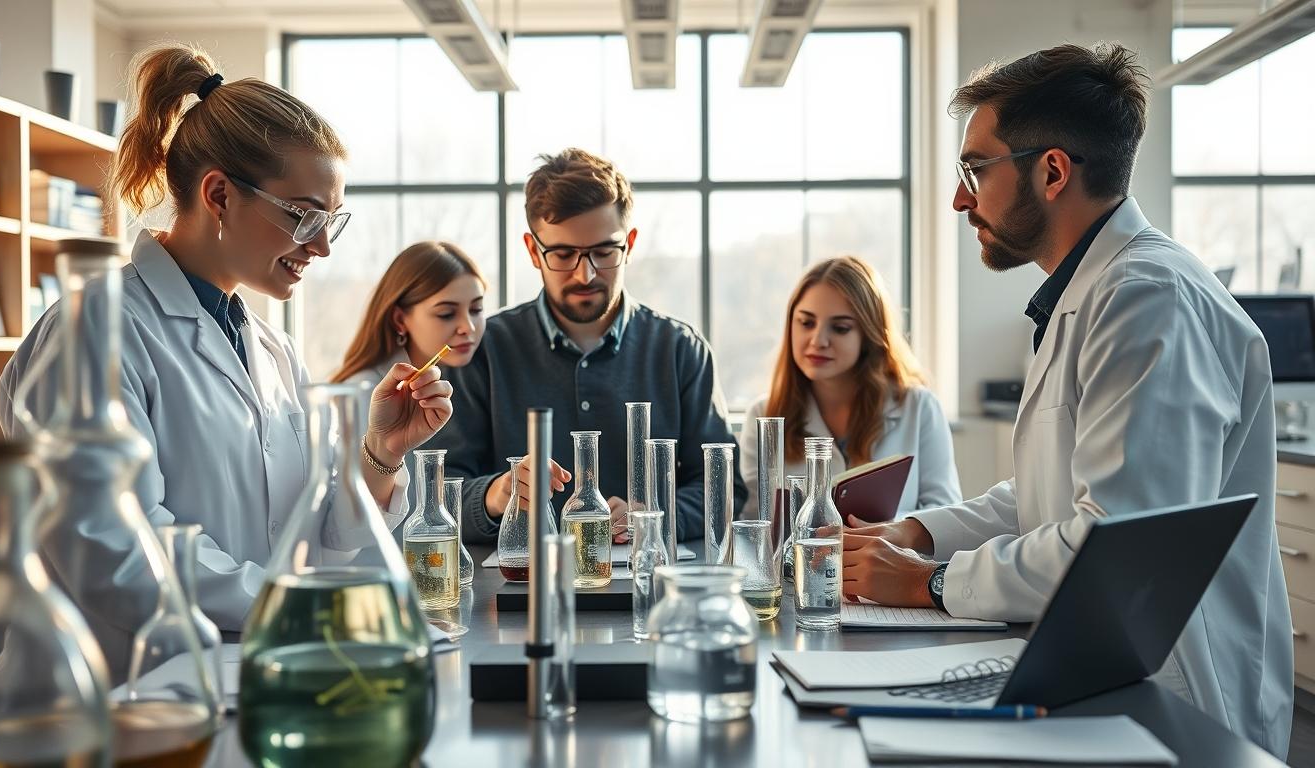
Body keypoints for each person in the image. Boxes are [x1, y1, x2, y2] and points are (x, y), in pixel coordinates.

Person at [838, 42, 1292, 758]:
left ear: (1051, 171)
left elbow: (1114, 542)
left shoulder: (1150, 300)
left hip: (1174, 701)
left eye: (974, 169)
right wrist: (919, 536)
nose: (961, 198)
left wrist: (933, 583)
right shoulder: (1086, 295)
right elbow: (1047, 494)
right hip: (1099, 672)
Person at [0, 44, 453, 673]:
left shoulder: (271, 348)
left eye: (331, 221)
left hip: (241, 684)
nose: (321, 246)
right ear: (218, 195)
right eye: (303, 217)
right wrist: (296, 608)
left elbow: (309, 542)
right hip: (119, 702)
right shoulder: (93, 331)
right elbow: (112, 551)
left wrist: (380, 453)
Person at [432, 147, 746, 545]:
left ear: (629, 244)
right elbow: (440, 490)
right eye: (563, 254)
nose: (586, 273)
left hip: (648, 586)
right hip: (517, 593)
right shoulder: (482, 350)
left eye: (603, 251)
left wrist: (655, 517)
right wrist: (494, 495)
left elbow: (723, 489)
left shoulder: (681, 350)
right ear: (533, 251)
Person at [739, 256, 960, 518]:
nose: (818, 341)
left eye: (840, 328)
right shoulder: (763, 415)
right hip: (795, 560)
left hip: (889, 559)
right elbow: (754, 521)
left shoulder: (919, 407)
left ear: (868, 334)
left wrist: (888, 532)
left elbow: (946, 514)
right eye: (806, 323)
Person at [334, 241, 487, 511]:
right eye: (447, 313)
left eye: (476, 309)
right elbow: (352, 524)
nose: (468, 326)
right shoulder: (364, 395)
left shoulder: (453, 381)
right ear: (400, 320)